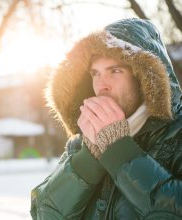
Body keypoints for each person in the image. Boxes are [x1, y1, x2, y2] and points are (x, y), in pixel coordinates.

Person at [30, 18, 182, 219]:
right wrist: (88, 158)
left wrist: (118, 149)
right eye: (95, 73)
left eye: (115, 71)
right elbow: (44, 214)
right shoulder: (81, 143)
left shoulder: (177, 135)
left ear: (143, 78)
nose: (102, 85)